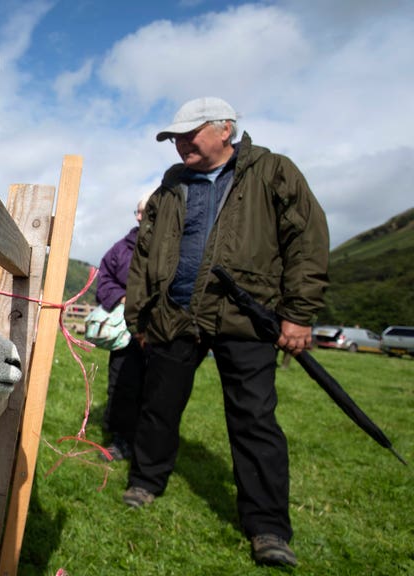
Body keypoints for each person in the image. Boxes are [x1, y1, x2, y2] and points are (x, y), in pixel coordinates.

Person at [122, 97, 329, 568]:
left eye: (189, 134)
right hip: (175, 314)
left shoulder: (273, 172)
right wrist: (141, 317)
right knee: (159, 404)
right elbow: (146, 254)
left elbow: (308, 240)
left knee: (254, 419)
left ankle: (268, 527)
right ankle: (146, 481)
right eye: (174, 137)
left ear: (225, 130)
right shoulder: (171, 186)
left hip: (246, 317)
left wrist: (298, 313)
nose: (179, 144)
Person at [94, 192, 151, 461]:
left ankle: (147, 444)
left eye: (147, 211)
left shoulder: (172, 246)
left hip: (159, 331)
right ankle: (119, 440)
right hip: (126, 334)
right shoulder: (120, 249)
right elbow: (103, 281)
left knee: (154, 388)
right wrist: (123, 297)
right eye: (138, 211)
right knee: (121, 386)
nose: (141, 216)